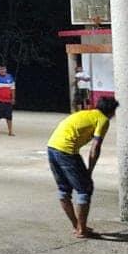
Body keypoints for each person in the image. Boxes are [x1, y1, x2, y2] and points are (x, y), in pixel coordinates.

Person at [46, 96, 119, 238]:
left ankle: (77, 225)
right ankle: (81, 230)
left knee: (64, 189)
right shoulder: (103, 120)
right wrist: (89, 170)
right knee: (85, 189)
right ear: (111, 111)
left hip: (51, 147)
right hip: (67, 150)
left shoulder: (85, 113)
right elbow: (95, 147)